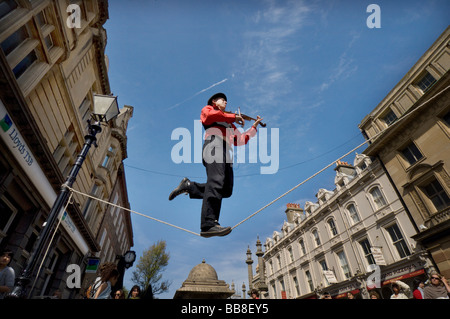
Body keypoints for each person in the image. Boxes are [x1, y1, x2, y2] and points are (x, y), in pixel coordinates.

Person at [168, 93, 262, 238]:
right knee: (216, 181)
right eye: (221, 99)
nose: (225, 101)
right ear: (214, 101)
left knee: (226, 190)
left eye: (226, 100)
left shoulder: (230, 122)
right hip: (214, 144)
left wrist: (254, 127)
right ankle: (208, 224)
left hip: (226, 150)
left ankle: (189, 186)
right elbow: (210, 117)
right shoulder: (209, 109)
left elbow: (240, 140)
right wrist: (233, 117)